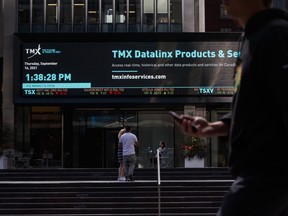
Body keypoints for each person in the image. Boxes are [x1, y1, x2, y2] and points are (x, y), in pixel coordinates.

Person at [174, 0, 288, 215]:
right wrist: (213, 127)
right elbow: (255, 108)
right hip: (260, 172)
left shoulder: (276, 34)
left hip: (269, 171)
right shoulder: (248, 38)